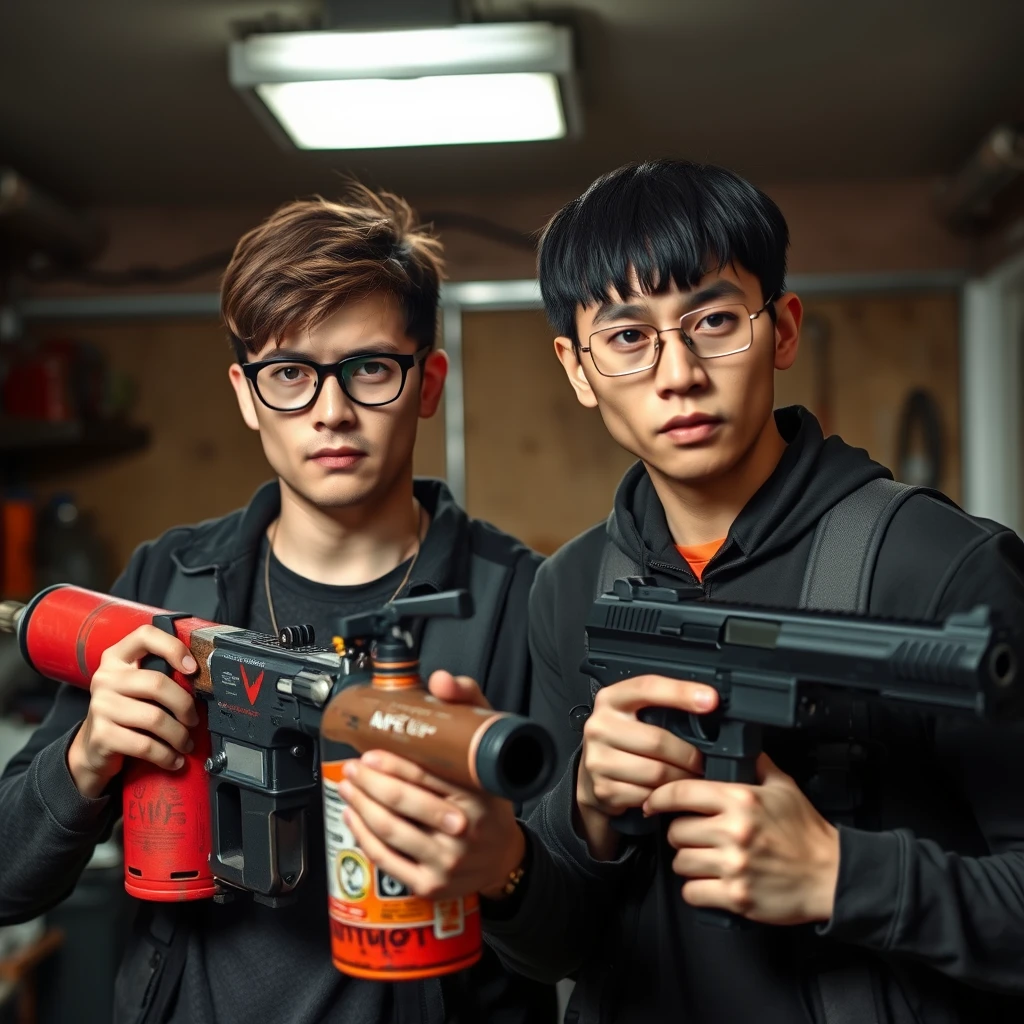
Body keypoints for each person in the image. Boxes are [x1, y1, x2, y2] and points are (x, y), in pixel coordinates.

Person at [341, 159, 1024, 1023]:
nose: (678, 372)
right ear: (578, 369)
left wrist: (841, 876)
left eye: (713, 320)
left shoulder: (942, 567)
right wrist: (571, 817)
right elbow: (555, 945)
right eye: (628, 337)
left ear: (781, 330)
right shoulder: (570, 588)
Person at [0, 185, 557, 1024]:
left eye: (369, 368)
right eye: (290, 374)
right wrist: (84, 758)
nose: (330, 411)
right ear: (245, 393)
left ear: (428, 381)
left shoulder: (521, 599)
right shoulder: (168, 581)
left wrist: (504, 864)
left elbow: (587, 925)